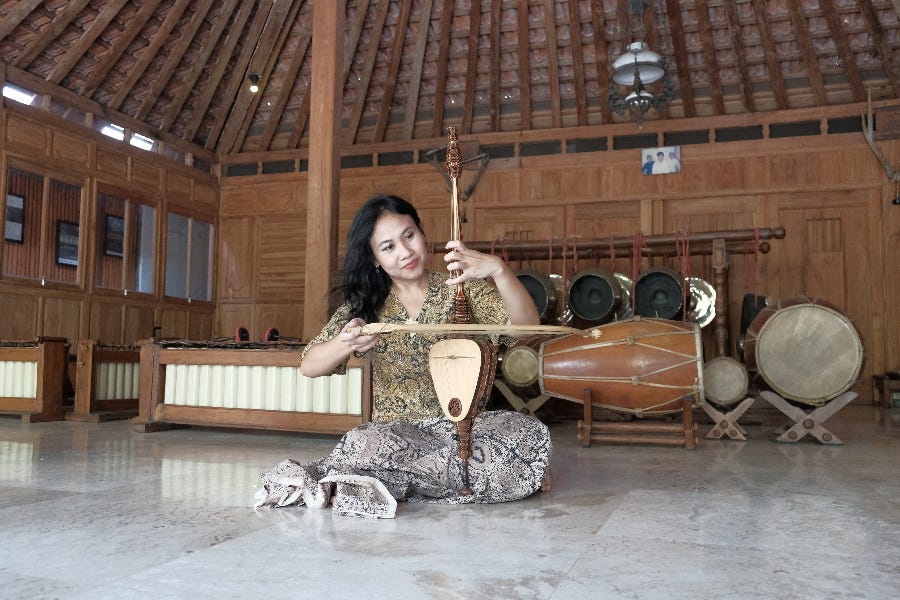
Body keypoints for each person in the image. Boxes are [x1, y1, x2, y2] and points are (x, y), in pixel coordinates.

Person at [256, 194, 552, 517]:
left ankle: (408, 482)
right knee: (363, 445)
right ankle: (494, 476)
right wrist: (347, 342)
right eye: (388, 247)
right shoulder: (367, 306)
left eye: (409, 236)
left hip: (463, 434)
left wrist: (498, 269)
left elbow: (526, 328)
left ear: (423, 234)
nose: (405, 252)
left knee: (526, 432)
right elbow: (309, 366)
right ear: (375, 260)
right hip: (397, 439)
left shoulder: (463, 289)